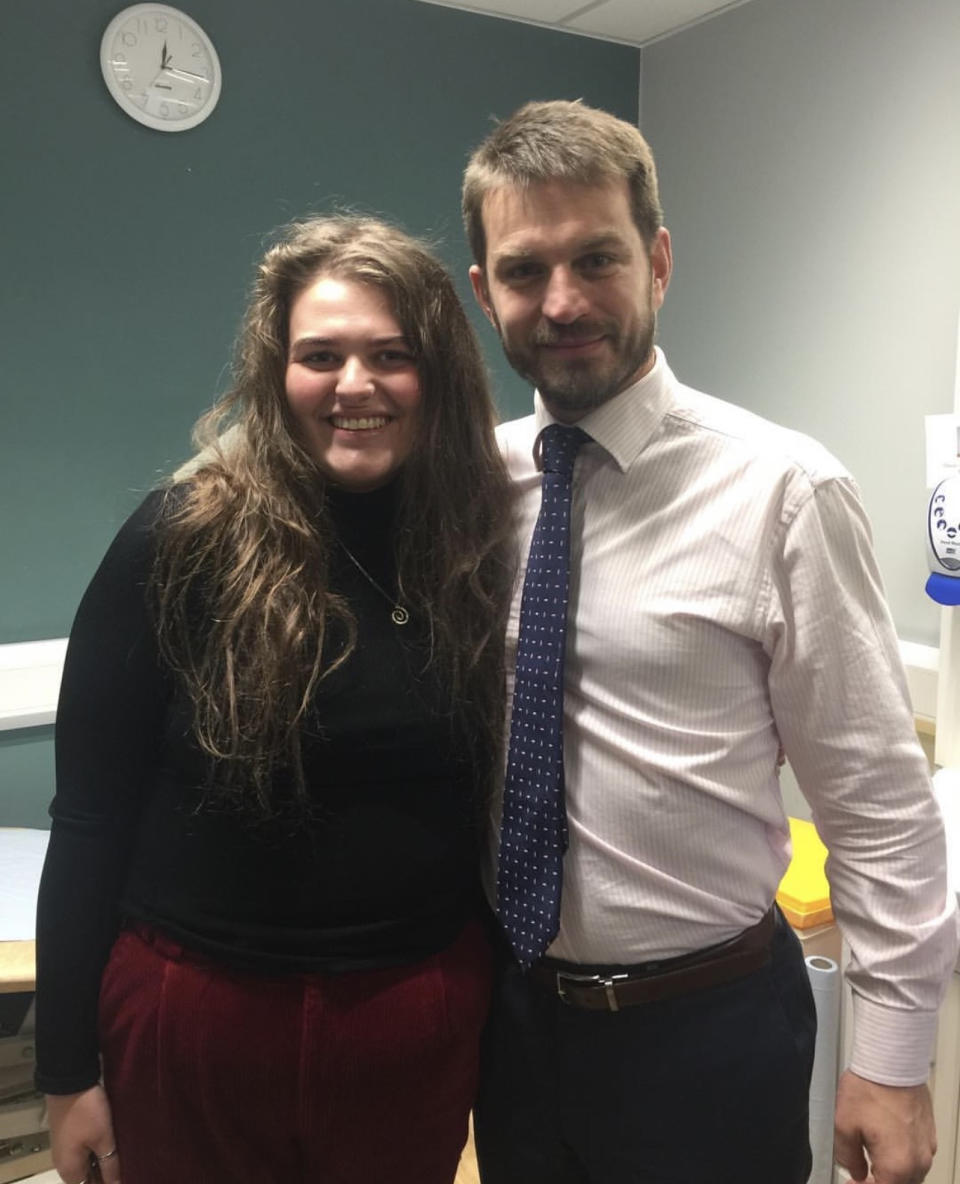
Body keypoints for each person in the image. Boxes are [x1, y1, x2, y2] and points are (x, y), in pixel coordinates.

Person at [460, 99, 959, 1184]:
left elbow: (877, 804)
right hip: (515, 1025)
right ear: (483, 290)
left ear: (660, 260)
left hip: (708, 1032)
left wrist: (891, 1059)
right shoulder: (469, 487)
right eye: (523, 268)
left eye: (598, 255)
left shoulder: (782, 490)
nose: (563, 300)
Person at [34, 214, 515, 1184]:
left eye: (391, 354)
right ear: (276, 370)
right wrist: (65, 1071)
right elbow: (87, 817)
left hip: (410, 1020)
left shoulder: (477, 542)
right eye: (320, 354)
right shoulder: (181, 536)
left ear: (440, 372)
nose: (354, 384)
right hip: (195, 1021)